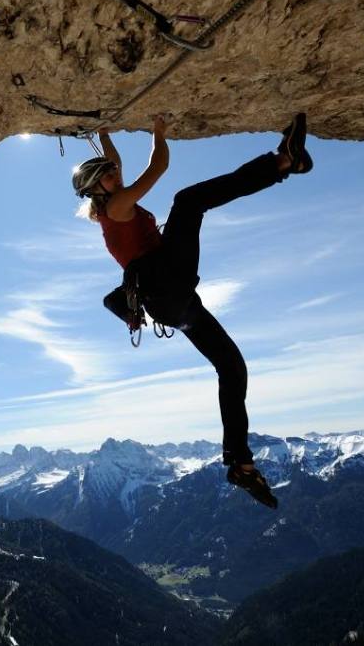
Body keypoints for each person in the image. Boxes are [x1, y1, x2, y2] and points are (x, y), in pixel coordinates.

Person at [71, 114, 312, 509]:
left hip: (173, 304)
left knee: (231, 366)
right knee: (187, 201)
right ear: (97, 187)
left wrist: (103, 133)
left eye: (113, 171)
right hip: (167, 285)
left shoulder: (113, 205)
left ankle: (240, 462)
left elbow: (118, 164)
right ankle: (284, 162)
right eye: (108, 174)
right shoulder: (117, 205)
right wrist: (159, 131)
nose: (116, 173)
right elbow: (159, 167)